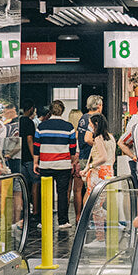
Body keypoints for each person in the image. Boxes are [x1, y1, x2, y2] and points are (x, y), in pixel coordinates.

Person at [34, 100, 78, 229]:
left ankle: (44, 220)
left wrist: (36, 163)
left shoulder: (41, 127)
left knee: (45, 193)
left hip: (45, 164)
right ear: (62, 111)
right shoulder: (68, 127)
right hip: (63, 165)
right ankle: (63, 221)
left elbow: (37, 146)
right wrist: (71, 161)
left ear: (50, 111)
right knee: (62, 193)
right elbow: (72, 148)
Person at [81, 113, 116, 233]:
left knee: (95, 205)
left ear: (96, 124)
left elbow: (102, 157)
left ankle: (104, 230)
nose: (89, 127)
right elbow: (112, 158)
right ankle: (102, 232)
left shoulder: (98, 138)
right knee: (98, 203)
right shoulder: (111, 137)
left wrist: (89, 167)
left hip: (99, 172)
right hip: (108, 172)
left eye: (90, 124)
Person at [75, 95, 103, 216]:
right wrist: (99, 145)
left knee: (84, 189)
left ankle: (80, 217)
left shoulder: (83, 117)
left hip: (82, 155)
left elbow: (78, 135)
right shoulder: (94, 119)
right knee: (91, 189)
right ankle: (88, 217)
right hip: (90, 157)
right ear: (98, 106)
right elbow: (87, 138)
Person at [19, 103, 38, 220]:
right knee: (35, 183)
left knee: (22, 185)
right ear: (31, 109)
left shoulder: (18, 121)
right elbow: (29, 139)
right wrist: (34, 156)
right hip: (29, 158)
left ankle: (24, 209)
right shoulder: (29, 122)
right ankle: (35, 210)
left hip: (19, 157)